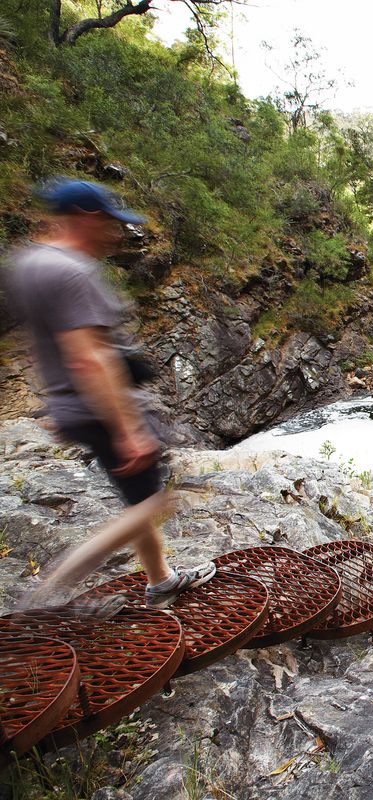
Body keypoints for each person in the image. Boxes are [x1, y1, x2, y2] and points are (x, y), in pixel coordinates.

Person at [4, 178, 215, 611]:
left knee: (136, 497)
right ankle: (46, 595)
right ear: (86, 216)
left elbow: (38, 344)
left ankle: (162, 580)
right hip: (100, 407)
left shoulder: (28, 264)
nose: (116, 233)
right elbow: (90, 358)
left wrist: (57, 403)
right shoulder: (73, 272)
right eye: (110, 222)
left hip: (71, 405)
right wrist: (127, 429)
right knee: (157, 501)